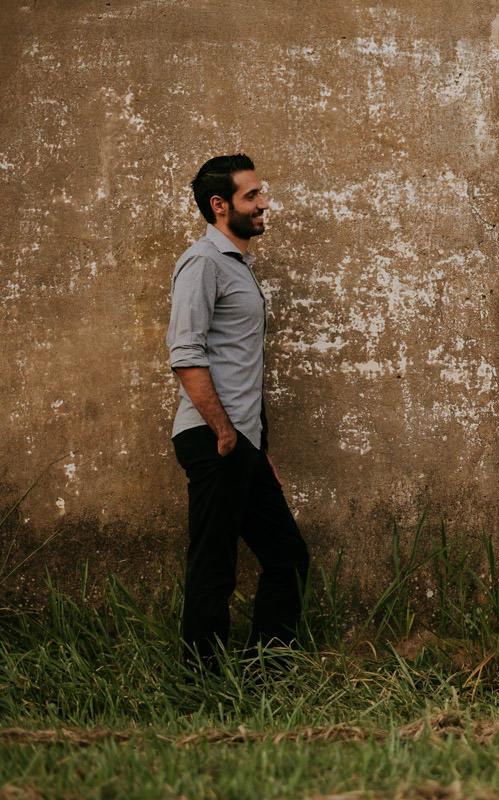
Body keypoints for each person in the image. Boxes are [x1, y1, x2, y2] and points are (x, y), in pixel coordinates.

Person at [166, 154, 309, 671]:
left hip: (241, 441)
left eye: (260, 192)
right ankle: (201, 679)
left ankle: (264, 673)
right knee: (214, 562)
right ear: (220, 205)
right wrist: (224, 433)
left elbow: (243, 368)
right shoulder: (203, 262)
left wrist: (257, 447)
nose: (263, 202)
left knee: (287, 557)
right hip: (214, 437)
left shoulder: (237, 266)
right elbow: (186, 353)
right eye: (252, 195)